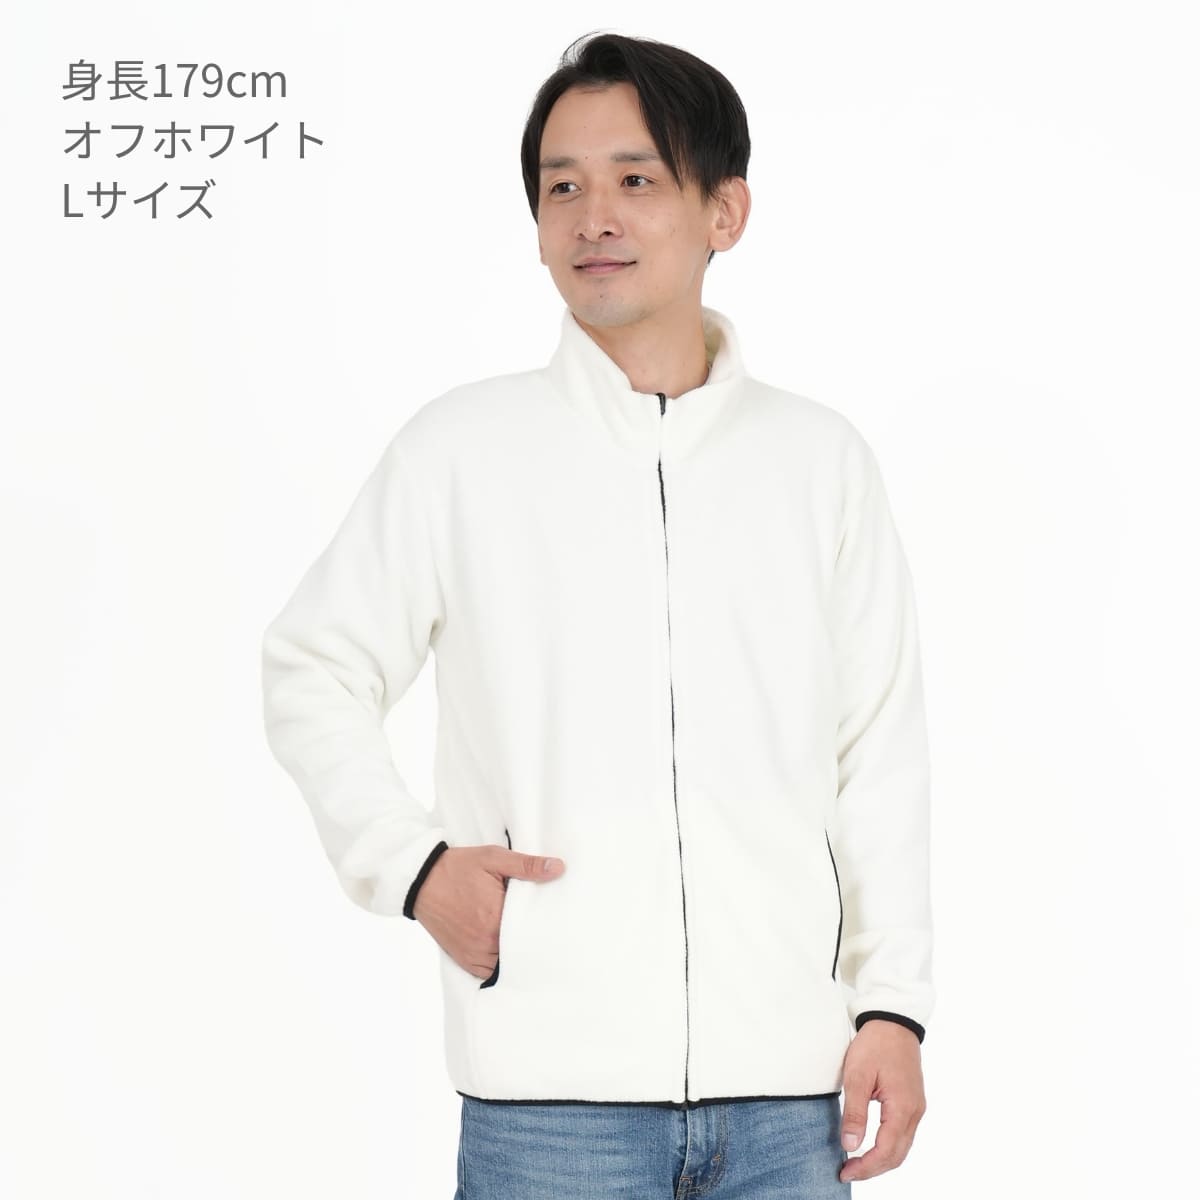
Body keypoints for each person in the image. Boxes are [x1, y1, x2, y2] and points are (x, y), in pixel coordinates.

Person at [261, 30, 933, 1199]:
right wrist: (414, 867)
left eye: (635, 179)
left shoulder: (819, 464)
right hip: (549, 1114)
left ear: (725, 210)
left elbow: (878, 752)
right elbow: (312, 666)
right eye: (561, 187)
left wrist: (894, 1006)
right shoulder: (460, 453)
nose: (593, 217)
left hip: (791, 1102)